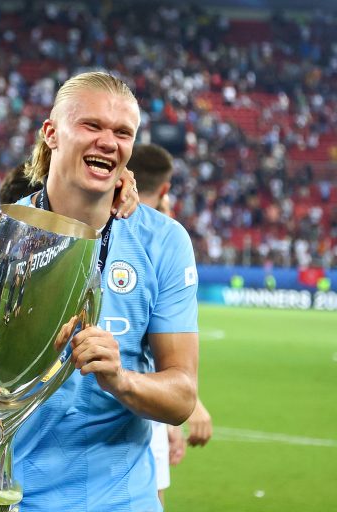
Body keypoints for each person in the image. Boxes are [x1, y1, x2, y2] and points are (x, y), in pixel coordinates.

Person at [0, 71, 199, 512]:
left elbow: (182, 395)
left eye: (122, 132)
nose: (108, 141)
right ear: (51, 133)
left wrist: (120, 379)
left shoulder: (163, 243)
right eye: (91, 125)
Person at [128, 143, 213, 507]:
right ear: (164, 188)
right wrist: (181, 411)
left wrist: (172, 418)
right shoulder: (166, 240)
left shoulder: (92, 228)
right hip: (134, 419)